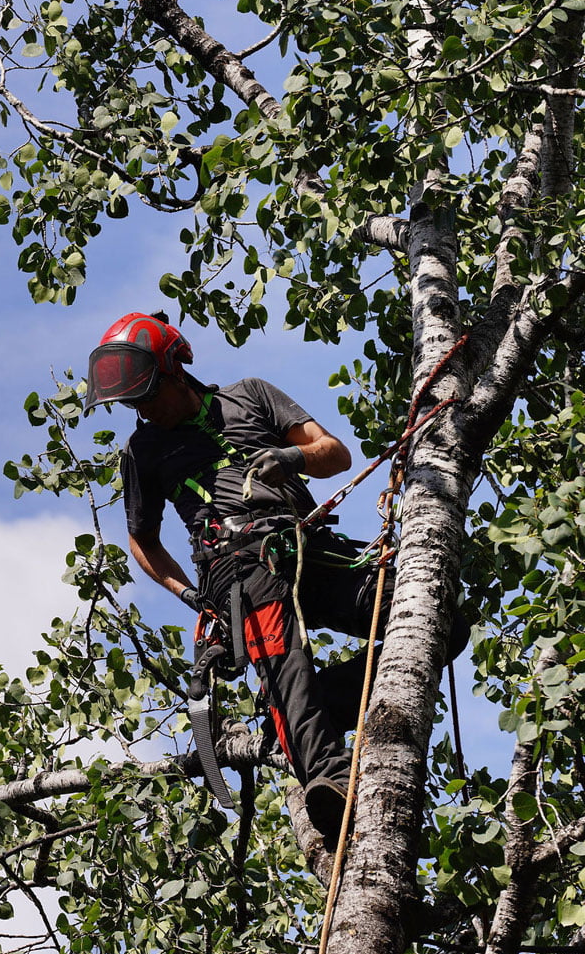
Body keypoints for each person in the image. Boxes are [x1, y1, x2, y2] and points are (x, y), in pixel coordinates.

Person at [83, 311, 460, 848]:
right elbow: (143, 541)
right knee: (285, 666)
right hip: (237, 569)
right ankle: (327, 775)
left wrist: (291, 457)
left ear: (175, 370)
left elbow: (334, 453)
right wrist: (190, 595)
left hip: (312, 548)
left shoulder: (250, 396)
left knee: (436, 618)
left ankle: (325, 699)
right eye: (132, 404)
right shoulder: (143, 453)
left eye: (147, 397)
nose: (142, 411)